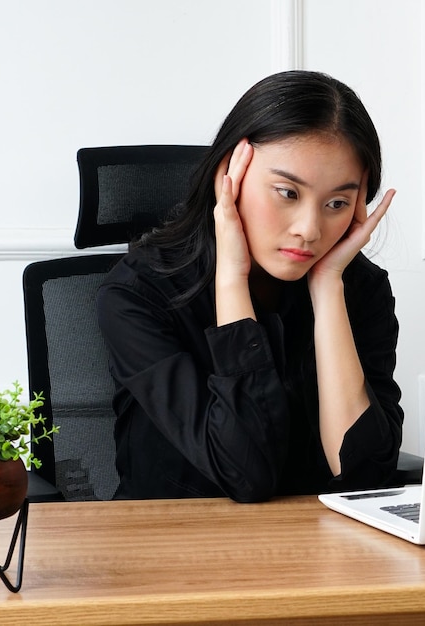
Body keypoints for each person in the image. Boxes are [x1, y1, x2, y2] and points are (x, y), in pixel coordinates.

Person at [96, 70, 404, 502]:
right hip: (172, 546)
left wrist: (329, 287)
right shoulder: (137, 295)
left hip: (314, 548)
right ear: (230, 175)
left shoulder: (361, 290)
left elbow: (365, 478)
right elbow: (246, 476)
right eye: (287, 192)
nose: (310, 230)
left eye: (337, 203)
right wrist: (232, 281)